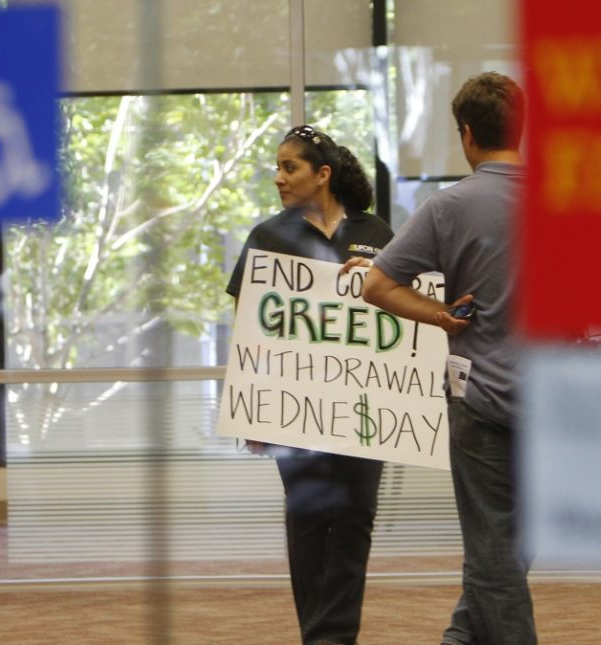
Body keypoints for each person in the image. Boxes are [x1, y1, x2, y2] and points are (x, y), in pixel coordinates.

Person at [359, 72, 535, 645]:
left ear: (467, 135)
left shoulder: (448, 207)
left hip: (480, 403)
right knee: (510, 545)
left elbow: (378, 286)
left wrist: (439, 316)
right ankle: (459, 638)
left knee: (493, 548)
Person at [226, 124, 393, 645]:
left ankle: (334, 637)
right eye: (277, 167)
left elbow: (403, 312)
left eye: (289, 167)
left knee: (354, 521)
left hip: (366, 407)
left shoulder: (379, 233)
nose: (278, 177)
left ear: (323, 175)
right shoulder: (268, 236)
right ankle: (319, 636)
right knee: (308, 521)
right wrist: (251, 407)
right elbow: (246, 325)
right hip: (294, 409)